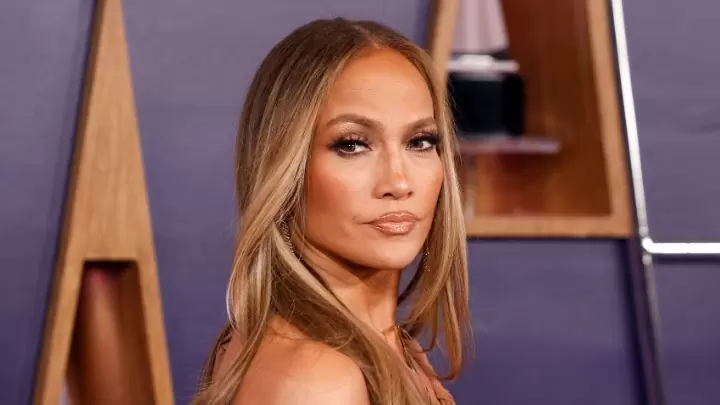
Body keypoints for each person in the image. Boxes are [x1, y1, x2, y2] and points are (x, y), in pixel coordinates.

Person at [190, 17, 471, 405]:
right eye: (352, 145)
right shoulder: (317, 382)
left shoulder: (389, 349)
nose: (398, 181)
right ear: (284, 165)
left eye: (419, 141)